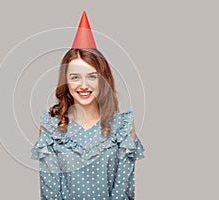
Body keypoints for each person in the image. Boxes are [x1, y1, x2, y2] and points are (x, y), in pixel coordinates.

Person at [31, 11, 144, 200]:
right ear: (65, 81)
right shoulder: (50, 129)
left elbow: (123, 190)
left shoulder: (123, 127)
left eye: (92, 76)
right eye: (75, 77)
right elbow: (49, 192)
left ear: (103, 80)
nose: (84, 85)